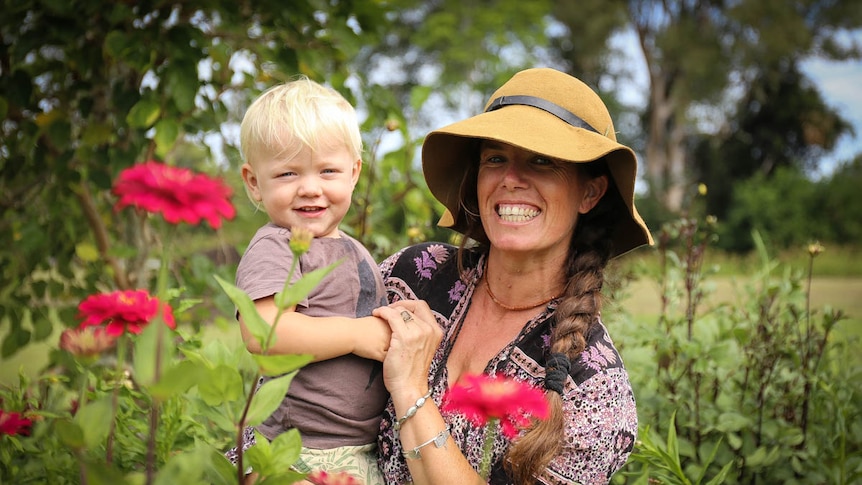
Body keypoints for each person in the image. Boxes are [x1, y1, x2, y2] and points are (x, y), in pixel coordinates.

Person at [371, 67, 654, 484]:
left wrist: (412, 390)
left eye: (542, 161)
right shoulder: (412, 278)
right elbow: (295, 402)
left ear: (590, 193)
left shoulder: (594, 387)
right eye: (495, 158)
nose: (510, 180)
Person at [225, 76, 391, 485]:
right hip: (291, 450)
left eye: (328, 170)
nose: (310, 188)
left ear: (354, 173)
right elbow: (263, 332)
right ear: (253, 183)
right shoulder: (276, 246)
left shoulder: (351, 249)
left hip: (356, 449)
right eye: (287, 174)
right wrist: (357, 335)